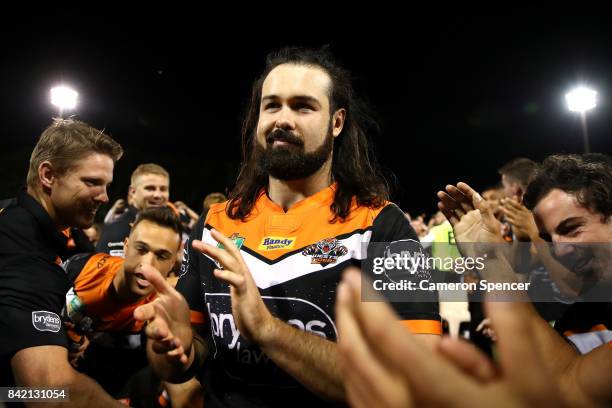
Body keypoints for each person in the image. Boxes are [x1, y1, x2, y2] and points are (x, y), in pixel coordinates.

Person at [135, 46, 441, 407]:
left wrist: (268, 331)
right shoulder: (216, 223)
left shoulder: (384, 227)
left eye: (303, 106)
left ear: (337, 122)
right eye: (272, 105)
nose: (283, 119)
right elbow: (190, 356)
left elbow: (416, 382)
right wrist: (172, 350)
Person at [0, 118, 125, 406]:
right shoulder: (24, 254)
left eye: (106, 185)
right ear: (48, 175)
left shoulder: (17, 219)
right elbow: (48, 394)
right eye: (92, 182)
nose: (105, 197)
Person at [63, 207, 183, 400]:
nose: (148, 264)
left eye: (161, 256)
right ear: (125, 247)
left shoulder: (161, 316)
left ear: (173, 264)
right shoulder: (81, 269)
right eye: (141, 249)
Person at [97, 163, 170, 257]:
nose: (158, 195)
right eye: (150, 188)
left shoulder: (168, 229)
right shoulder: (119, 230)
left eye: (163, 189)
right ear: (133, 192)